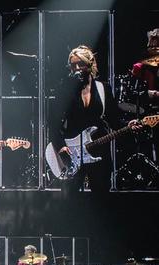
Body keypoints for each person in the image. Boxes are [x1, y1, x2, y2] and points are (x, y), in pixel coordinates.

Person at [52, 45, 140, 195]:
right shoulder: (65, 90)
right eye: (73, 66)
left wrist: (128, 125)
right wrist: (60, 146)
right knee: (69, 200)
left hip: (99, 150)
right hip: (72, 151)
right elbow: (53, 121)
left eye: (81, 64)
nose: (77, 68)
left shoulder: (103, 88)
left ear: (90, 64)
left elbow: (114, 119)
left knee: (101, 196)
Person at [131, 28, 159, 104]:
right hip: (145, 108)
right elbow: (132, 93)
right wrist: (150, 93)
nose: (154, 48)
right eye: (152, 45)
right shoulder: (139, 67)